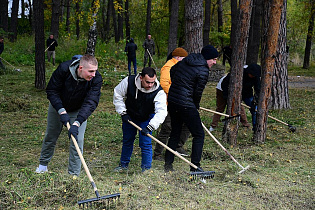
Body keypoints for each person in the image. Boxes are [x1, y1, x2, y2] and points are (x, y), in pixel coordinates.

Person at [35, 54, 103, 176]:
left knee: (77, 140)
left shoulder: (96, 79)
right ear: (81, 68)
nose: (94, 74)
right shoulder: (64, 69)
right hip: (58, 106)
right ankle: (43, 165)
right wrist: (61, 111)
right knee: (51, 135)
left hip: (78, 110)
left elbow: (91, 101)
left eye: (95, 71)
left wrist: (77, 122)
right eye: (91, 71)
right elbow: (52, 91)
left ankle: (73, 176)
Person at [164, 45, 218, 172]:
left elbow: (173, 70)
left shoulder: (187, 60)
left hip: (172, 101)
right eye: (213, 59)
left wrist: (177, 85)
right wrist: (195, 105)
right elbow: (197, 93)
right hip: (185, 104)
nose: (215, 62)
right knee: (199, 135)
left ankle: (168, 164)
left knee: (175, 133)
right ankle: (195, 167)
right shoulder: (203, 70)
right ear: (207, 58)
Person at [113, 67, 167, 172]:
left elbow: (162, 112)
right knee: (127, 140)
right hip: (130, 116)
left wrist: (151, 126)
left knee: (145, 143)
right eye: (148, 82)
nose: (150, 85)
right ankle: (123, 165)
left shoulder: (158, 91)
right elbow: (118, 94)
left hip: (147, 118)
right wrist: (123, 112)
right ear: (141, 78)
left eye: (152, 82)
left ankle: (146, 169)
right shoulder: (129, 81)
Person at [153, 47, 190, 161]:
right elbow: (164, 84)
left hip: (180, 101)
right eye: (183, 58)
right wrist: (177, 93)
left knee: (187, 124)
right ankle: (157, 153)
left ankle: (177, 146)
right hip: (168, 102)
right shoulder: (168, 67)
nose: (185, 60)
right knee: (167, 127)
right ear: (177, 57)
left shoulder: (181, 67)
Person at [210, 63, 261, 132]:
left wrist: (255, 101)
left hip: (243, 92)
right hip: (222, 89)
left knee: (251, 109)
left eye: (254, 76)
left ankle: (249, 126)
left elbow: (257, 89)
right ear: (249, 72)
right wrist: (227, 96)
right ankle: (213, 126)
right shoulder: (238, 72)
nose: (252, 76)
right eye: (252, 75)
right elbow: (224, 84)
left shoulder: (255, 76)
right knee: (220, 108)